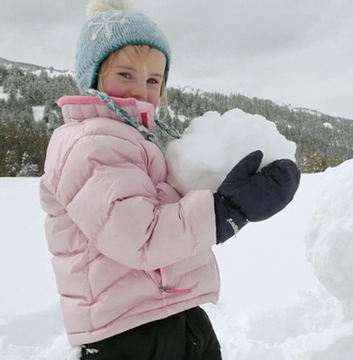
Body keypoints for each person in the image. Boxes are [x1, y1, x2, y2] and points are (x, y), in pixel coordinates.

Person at [39, 0, 300, 359]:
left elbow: (163, 211)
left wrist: (226, 183)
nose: (138, 90)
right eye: (125, 74)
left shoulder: (136, 138)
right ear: (93, 75)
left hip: (171, 311)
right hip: (127, 332)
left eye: (152, 79)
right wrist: (225, 211)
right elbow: (139, 237)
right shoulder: (91, 143)